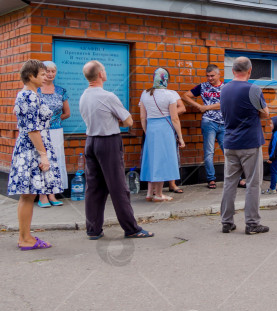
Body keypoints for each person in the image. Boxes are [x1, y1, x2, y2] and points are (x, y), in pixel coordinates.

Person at [79, 60, 153, 239]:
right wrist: (115, 118)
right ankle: (131, 228)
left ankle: (93, 230)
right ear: (100, 75)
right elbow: (128, 121)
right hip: (108, 142)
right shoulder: (107, 96)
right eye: (104, 70)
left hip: (91, 141)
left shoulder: (83, 96)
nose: (105, 72)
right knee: (118, 187)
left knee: (93, 188)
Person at [7, 59, 62, 250]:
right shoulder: (29, 96)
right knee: (28, 195)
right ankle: (24, 239)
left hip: (29, 147)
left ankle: (26, 236)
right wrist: (43, 155)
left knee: (28, 195)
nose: (46, 76)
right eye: (42, 73)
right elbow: (32, 129)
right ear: (31, 76)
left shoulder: (28, 94)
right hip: (32, 149)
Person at [219, 57, 270, 235]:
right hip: (250, 142)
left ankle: (226, 222)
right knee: (253, 183)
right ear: (250, 71)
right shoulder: (253, 89)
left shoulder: (223, 89)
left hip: (230, 142)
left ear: (233, 71)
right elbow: (265, 114)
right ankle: (252, 223)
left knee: (229, 183)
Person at [139, 68, 185, 202]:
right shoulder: (170, 95)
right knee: (162, 160)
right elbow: (175, 118)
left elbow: (143, 117)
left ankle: (149, 193)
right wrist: (180, 138)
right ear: (166, 80)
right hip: (165, 129)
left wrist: (148, 131)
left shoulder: (145, 94)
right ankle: (159, 194)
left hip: (151, 128)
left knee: (152, 160)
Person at [182, 64, 230, 189]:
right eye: (207, 76)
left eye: (212, 76)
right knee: (209, 152)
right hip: (209, 123)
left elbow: (225, 104)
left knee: (229, 152)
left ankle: (236, 178)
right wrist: (198, 106)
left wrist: (205, 107)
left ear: (219, 75)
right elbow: (185, 96)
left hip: (224, 123)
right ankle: (211, 179)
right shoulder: (203, 86)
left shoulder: (226, 87)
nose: (209, 78)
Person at [36, 60, 70, 207]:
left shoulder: (61, 91)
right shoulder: (35, 91)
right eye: (47, 71)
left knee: (55, 161)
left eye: (53, 71)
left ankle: (53, 194)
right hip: (39, 132)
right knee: (42, 160)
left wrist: (54, 120)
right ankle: (42, 196)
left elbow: (67, 113)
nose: (50, 74)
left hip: (56, 131)